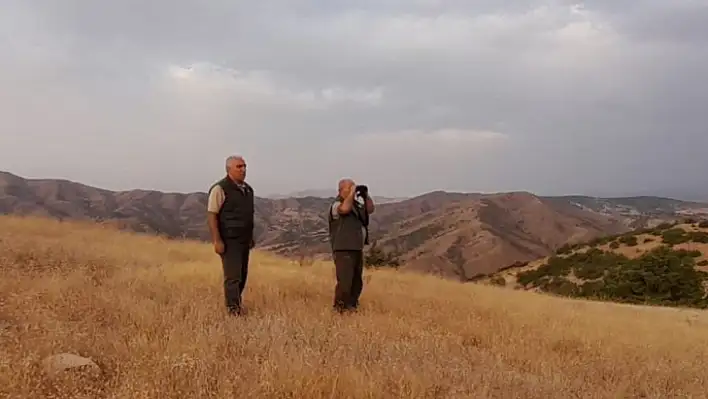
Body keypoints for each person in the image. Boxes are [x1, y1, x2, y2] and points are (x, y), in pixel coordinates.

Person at [207, 155, 255, 316]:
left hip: (244, 240)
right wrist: (217, 240)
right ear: (229, 169)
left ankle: (237, 304)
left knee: (242, 275)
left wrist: (250, 237)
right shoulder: (220, 189)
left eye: (244, 166)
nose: (243, 170)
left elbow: (249, 215)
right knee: (232, 276)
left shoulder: (248, 190)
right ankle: (233, 311)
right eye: (239, 167)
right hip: (229, 240)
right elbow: (212, 214)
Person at [327, 178, 375, 313]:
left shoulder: (356, 204)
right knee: (345, 281)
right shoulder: (337, 205)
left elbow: (370, 210)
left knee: (356, 281)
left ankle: (352, 306)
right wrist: (352, 193)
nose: (352, 192)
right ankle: (340, 308)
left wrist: (366, 196)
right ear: (341, 190)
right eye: (349, 188)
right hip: (343, 248)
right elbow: (345, 209)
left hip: (356, 247)